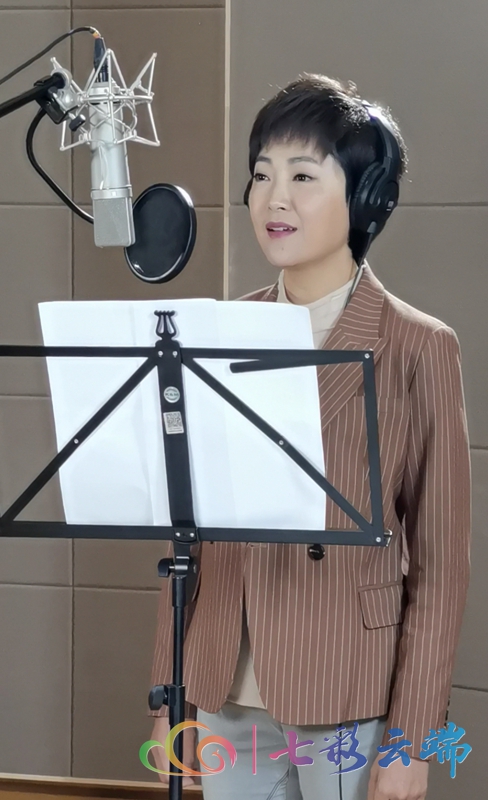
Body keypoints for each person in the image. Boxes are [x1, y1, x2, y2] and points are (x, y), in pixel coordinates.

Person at [148, 74, 471, 800]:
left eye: (302, 175)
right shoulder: (215, 334)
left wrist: (413, 738)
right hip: (223, 688)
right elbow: (184, 536)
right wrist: (171, 689)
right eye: (262, 174)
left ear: (364, 199)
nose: (274, 198)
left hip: (348, 685)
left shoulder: (419, 346)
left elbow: (443, 568)